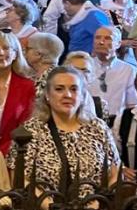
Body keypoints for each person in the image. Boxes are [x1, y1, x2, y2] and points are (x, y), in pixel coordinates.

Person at [23, 66, 121, 197]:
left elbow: (115, 173)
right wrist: (49, 207)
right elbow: (21, 178)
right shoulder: (31, 130)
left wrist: (97, 205)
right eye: (59, 89)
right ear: (47, 95)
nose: (67, 95)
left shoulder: (98, 127)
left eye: (74, 89)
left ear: (82, 96)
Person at [87, 24, 137, 120]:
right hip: (88, 121)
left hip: (117, 123)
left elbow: (134, 105)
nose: (101, 42)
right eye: (97, 38)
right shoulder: (84, 68)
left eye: (107, 38)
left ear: (118, 44)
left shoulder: (130, 71)